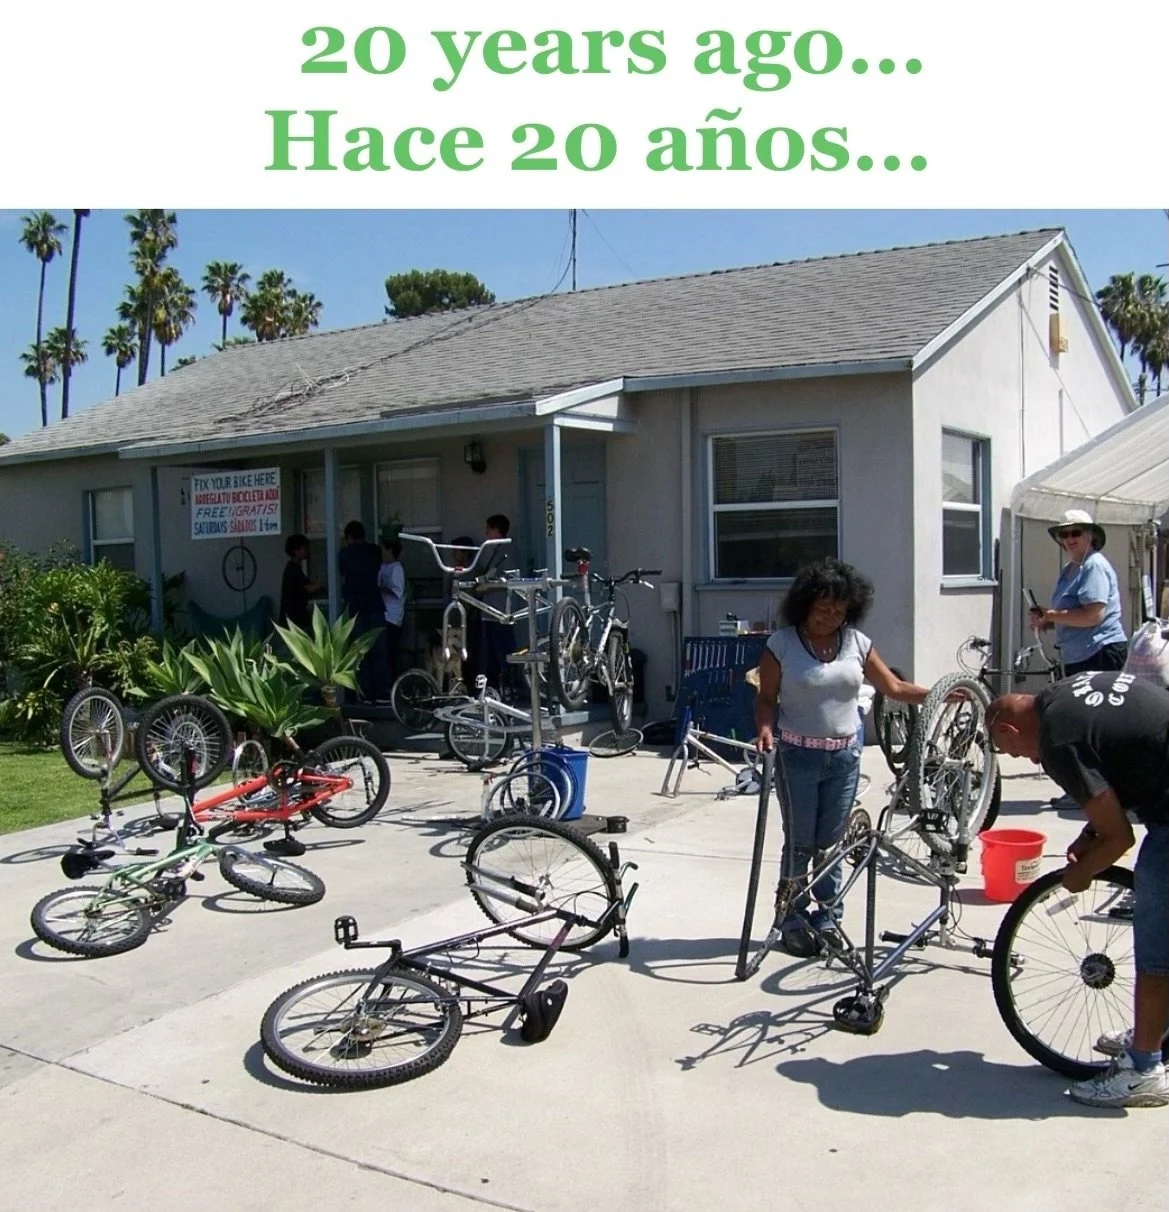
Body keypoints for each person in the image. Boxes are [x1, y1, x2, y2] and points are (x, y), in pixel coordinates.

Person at [986, 674, 1169, 1109]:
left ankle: (1144, 1069)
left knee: (1157, 948)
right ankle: (1155, 1029)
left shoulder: (1056, 740)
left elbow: (1119, 837)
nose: (1028, 762)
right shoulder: (1063, 697)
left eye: (1013, 752)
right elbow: (1121, 762)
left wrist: (1082, 872)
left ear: (1010, 730)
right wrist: (1090, 836)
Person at [753, 558, 933, 958]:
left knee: (831, 844)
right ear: (804, 605)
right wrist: (765, 729)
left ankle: (828, 917)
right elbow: (766, 700)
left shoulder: (857, 642)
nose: (831, 617)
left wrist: (938, 693)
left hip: (844, 759)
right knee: (800, 844)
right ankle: (793, 919)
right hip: (796, 757)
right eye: (822, 609)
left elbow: (895, 687)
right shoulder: (780, 645)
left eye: (839, 610)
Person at [1029, 508, 1128, 811]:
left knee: (1094, 728)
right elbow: (1073, 615)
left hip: (1099, 653)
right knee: (1083, 726)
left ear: (1090, 536)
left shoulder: (1093, 566)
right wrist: (1048, 621)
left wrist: (1051, 614)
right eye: (1064, 534)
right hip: (1080, 655)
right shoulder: (1072, 568)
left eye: (1076, 533)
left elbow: (1092, 615)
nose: (1069, 539)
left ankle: (1100, 794)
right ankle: (1088, 791)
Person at [338, 520, 385, 700]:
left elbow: (342, 575)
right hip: (375, 604)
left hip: (356, 607)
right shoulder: (374, 551)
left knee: (360, 653)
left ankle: (363, 693)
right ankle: (381, 693)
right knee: (379, 652)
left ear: (349, 537)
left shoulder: (344, 553)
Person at [474, 514, 519, 693]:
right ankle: (493, 687)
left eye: (488, 529)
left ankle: (509, 686)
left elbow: (506, 579)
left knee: (504, 650)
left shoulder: (507, 551)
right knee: (490, 653)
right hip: (489, 611)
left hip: (501, 610)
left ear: (496, 530)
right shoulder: (494, 550)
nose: (486, 533)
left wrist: (485, 587)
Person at [378, 538, 407, 689]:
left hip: (392, 617)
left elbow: (397, 592)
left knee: (390, 653)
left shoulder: (396, 568)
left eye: (383, 549)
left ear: (390, 551)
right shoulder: (383, 566)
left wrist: (380, 588)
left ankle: (393, 686)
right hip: (384, 615)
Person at [279, 534, 323, 632]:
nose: (307, 551)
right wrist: (321, 584)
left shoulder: (295, 568)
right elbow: (307, 588)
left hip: (295, 617)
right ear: (296, 550)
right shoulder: (292, 570)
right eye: (304, 548)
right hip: (293, 619)